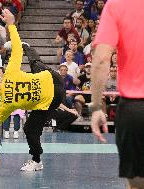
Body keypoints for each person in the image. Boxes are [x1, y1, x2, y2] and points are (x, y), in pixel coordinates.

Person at [0, 9, 65, 171]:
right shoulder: (9, 73)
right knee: (36, 65)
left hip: (52, 101)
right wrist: (11, 24)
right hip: (55, 80)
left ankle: (37, 161)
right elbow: (16, 48)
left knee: (30, 130)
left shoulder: (6, 105)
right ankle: (29, 48)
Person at [90, 0, 144, 188]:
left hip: (136, 110)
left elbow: (101, 60)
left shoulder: (117, 5)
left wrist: (96, 106)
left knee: (137, 183)